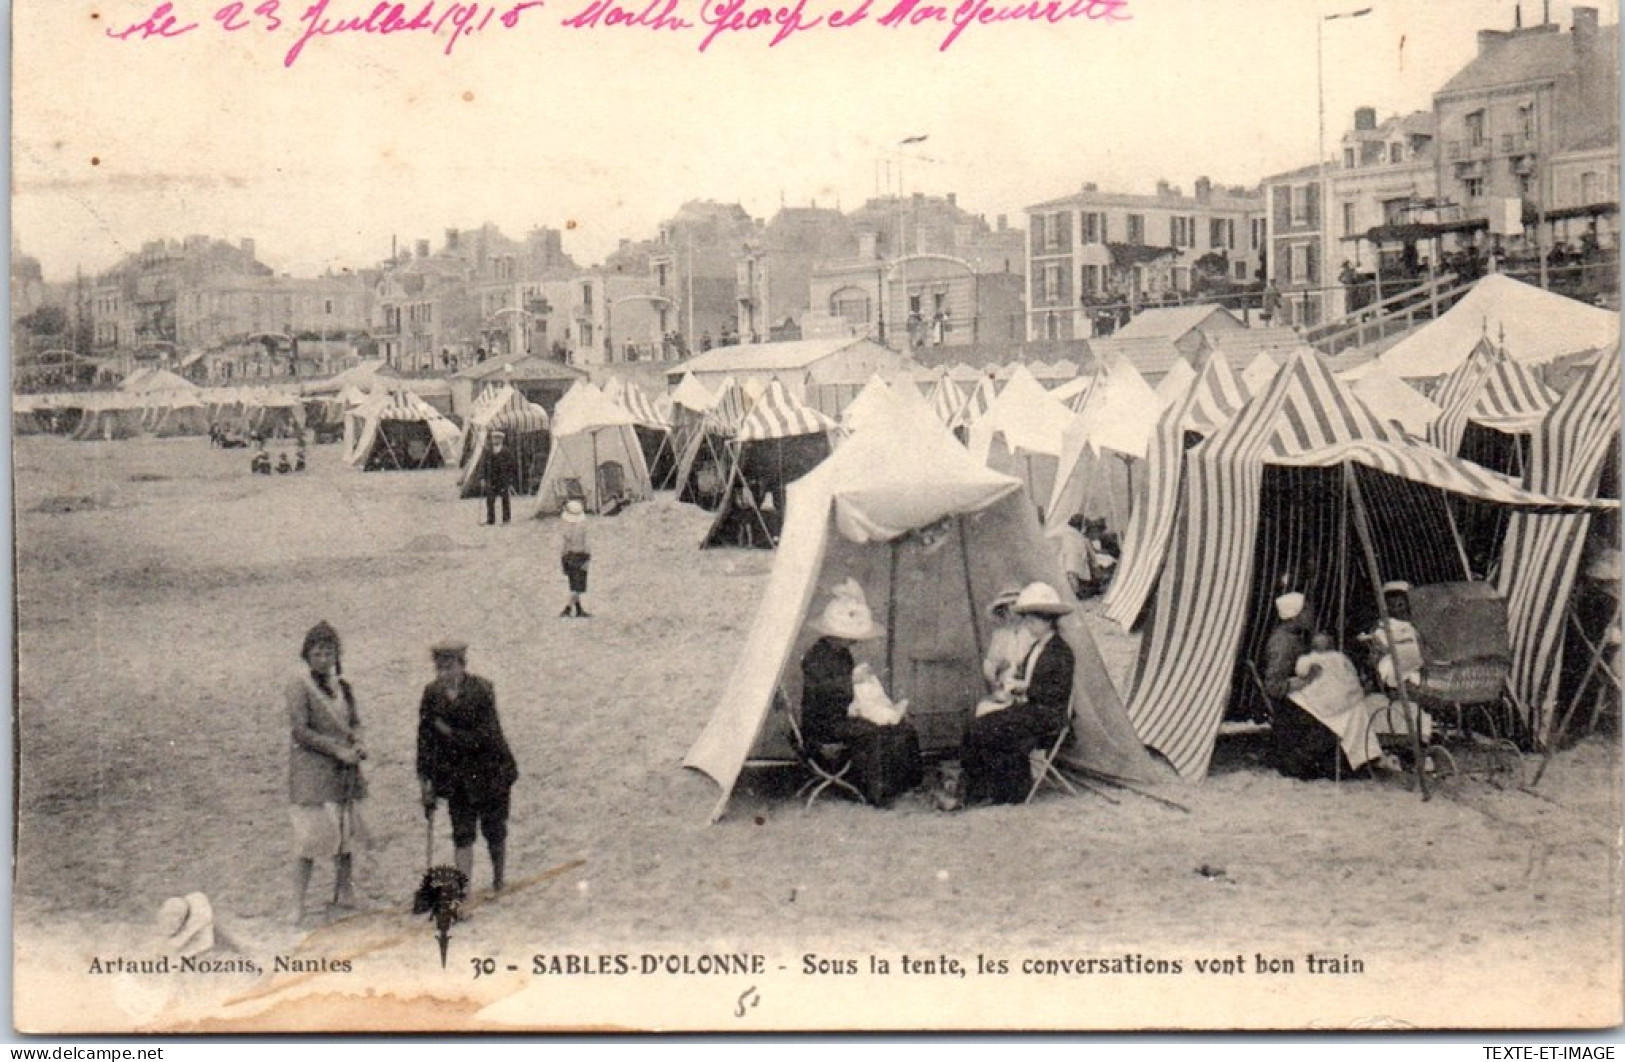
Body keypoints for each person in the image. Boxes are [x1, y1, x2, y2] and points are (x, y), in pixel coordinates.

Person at [799, 579, 923, 807]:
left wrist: (865, 689)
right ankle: (877, 793)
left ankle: (907, 784)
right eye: (849, 636)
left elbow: (850, 690)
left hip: (843, 713)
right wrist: (850, 681)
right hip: (823, 722)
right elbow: (818, 691)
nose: (854, 641)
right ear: (835, 634)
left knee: (900, 727)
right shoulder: (815, 656)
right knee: (873, 732)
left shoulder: (843, 654)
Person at [956, 582, 1076, 807]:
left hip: (1049, 717)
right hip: (1032, 710)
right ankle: (981, 788)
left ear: (1047, 620)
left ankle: (1006, 791)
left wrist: (1024, 689)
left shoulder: (1060, 651)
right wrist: (1016, 683)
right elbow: (1031, 680)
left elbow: (1056, 692)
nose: (1029, 626)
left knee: (990, 727)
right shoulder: (1038, 647)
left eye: (1032, 621)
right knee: (977, 724)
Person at [417, 640, 519, 895]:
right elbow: (425, 740)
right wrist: (425, 783)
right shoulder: (432, 693)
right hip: (456, 775)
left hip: (490, 770)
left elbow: (486, 736)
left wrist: (448, 732)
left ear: (462, 665)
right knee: (462, 833)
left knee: (494, 829)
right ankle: (463, 890)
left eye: (450, 667)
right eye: (439, 668)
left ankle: (498, 879)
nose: (444, 674)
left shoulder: (481, 690)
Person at [286, 621, 369, 922]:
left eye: (329, 652)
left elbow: (356, 722)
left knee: (344, 832)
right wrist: (337, 750)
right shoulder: (299, 685)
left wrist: (358, 743)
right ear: (307, 655)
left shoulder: (343, 688)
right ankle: (297, 903)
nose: (324, 658)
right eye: (318, 652)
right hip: (311, 771)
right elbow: (300, 731)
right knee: (308, 839)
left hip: (343, 768)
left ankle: (344, 890)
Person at [1287, 632, 1387, 777]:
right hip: (1346, 698)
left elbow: (1300, 672)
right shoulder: (1340, 657)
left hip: (1324, 701)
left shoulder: (1307, 659)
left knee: (1298, 696)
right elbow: (1352, 673)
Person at [1360, 580, 1424, 690]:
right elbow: (1381, 654)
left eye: (1401, 604)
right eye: (1391, 605)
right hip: (1403, 675)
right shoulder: (1383, 627)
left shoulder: (1421, 622)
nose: (1397, 609)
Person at [1050, 515, 1098, 599]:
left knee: (1070, 575)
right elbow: (1090, 552)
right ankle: (1075, 593)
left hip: (1072, 556)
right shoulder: (1070, 532)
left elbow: (1051, 536)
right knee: (1071, 575)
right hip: (1072, 556)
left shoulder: (1070, 533)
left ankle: (1074, 593)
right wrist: (1094, 563)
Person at [559, 499, 592, 617]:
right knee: (578, 586)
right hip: (580, 555)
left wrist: (562, 558)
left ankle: (578, 608)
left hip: (569, 555)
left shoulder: (566, 528)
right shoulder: (583, 528)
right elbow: (587, 545)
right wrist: (588, 558)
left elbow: (564, 545)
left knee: (573, 583)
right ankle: (568, 608)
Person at [482, 430, 520, 526]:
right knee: (490, 499)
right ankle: (490, 520)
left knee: (505, 499)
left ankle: (506, 519)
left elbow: (512, 466)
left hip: (503, 478)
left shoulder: (506, 451)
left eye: (498, 438)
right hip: (491, 478)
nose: (496, 440)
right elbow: (483, 465)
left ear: (502, 439)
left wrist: (510, 479)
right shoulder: (488, 451)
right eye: (494, 438)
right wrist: (482, 478)